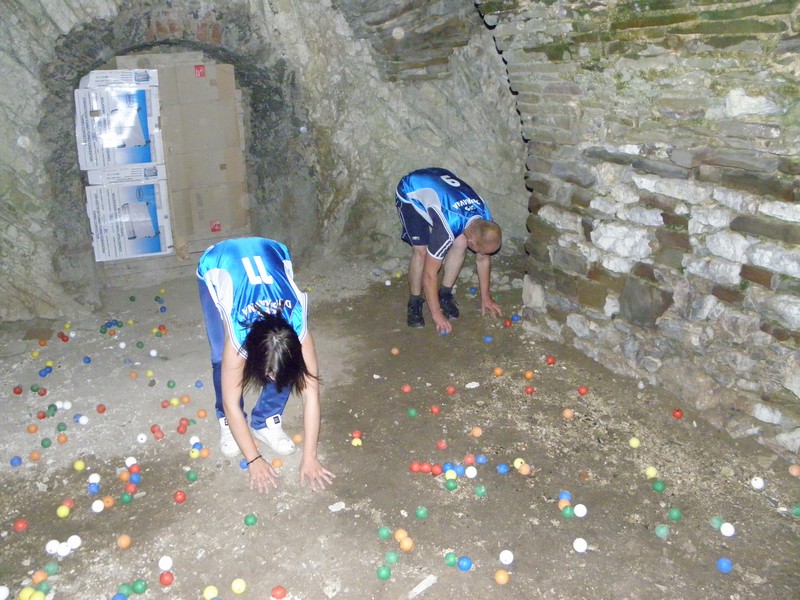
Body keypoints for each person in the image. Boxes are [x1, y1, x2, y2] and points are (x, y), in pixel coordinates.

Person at [197, 237, 334, 493]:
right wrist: (254, 459)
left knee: (286, 367)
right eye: (267, 372)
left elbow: (311, 396)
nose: (270, 378)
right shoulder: (237, 341)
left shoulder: (299, 330)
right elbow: (231, 403)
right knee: (219, 357)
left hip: (272, 251)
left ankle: (266, 418)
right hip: (220, 261)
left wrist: (310, 456)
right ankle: (225, 423)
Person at [395, 167, 503, 334]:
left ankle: (444, 293)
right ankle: (415, 300)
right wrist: (436, 315)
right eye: (481, 251)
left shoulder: (485, 217)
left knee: (460, 241)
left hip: (441, 184)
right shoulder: (447, 226)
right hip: (410, 190)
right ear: (473, 241)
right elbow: (430, 274)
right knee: (421, 251)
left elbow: (483, 259)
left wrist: (486, 297)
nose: (483, 255)